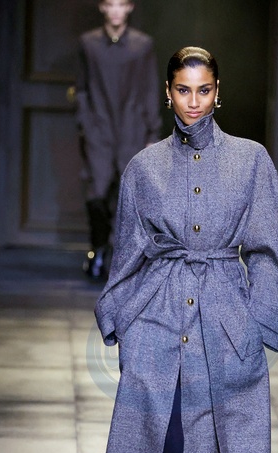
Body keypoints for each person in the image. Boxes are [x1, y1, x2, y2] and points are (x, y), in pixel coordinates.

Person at [94, 47, 278, 453]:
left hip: (224, 319)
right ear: (168, 93)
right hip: (158, 316)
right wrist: (121, 318)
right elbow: (128, 252)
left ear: (218, 92)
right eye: (183, 90)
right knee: (169, 448)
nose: (194, 102)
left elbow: (267, 251)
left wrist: (259, 324)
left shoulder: (251, 162)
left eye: (204, 91)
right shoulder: (144, 167)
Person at [76, 0, 161, 279]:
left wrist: (152, 133)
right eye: (110, 4)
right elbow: (82, 88)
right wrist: (85, 124)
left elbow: (150, 89)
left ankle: (122, 256)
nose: (115, 10)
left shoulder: (142, 45)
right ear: (102, 7)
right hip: (99, 128)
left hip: (132, 128)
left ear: (130, 8)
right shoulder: (88, 43)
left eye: (121, 4)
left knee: (130, 195)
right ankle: (98, 249)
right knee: (97, 192)